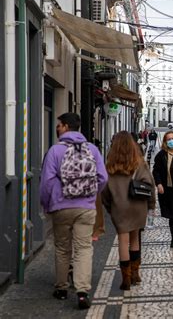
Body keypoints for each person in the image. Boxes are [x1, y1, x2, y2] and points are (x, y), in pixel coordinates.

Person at [40, 113, 107, 309]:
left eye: (59, 125)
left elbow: (46, 182)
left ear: (66, 126)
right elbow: (102, 177)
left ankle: (61, 288)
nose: (57, 128)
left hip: (61, 206)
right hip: (86, 207)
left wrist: (47, 204)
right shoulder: (92, 149)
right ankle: (82, 291)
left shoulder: (55, 151)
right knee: (84, 248)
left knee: (62, 247)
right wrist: (91, 194)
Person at [101, 131, 156, 290]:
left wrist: (110, 208)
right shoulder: (140, 164)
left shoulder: (110, 166)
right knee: (135, 240)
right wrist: (151, 206)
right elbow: (150, 186)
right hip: (138, 206)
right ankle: (135, 274)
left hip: (120, 208)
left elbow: (104, 192)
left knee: (123, 242)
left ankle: (125, 279)